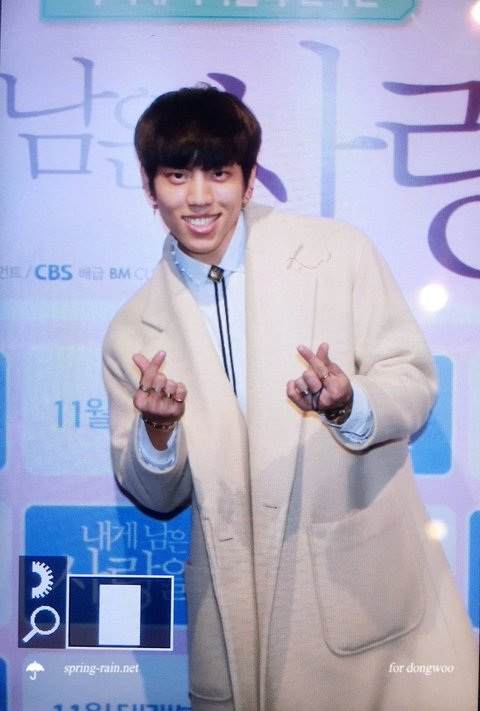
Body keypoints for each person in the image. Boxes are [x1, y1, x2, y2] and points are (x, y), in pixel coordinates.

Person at [102, 86, 478, 711]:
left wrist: (347, 402)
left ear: (249, 181)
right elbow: (156, 494)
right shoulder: (131, 332)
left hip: (364, 594)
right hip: (233, 617)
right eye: (177, 176)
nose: (200, 197)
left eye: (219, 173)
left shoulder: (337, 253)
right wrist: (159, 433)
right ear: (149, 187)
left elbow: (413, 381)